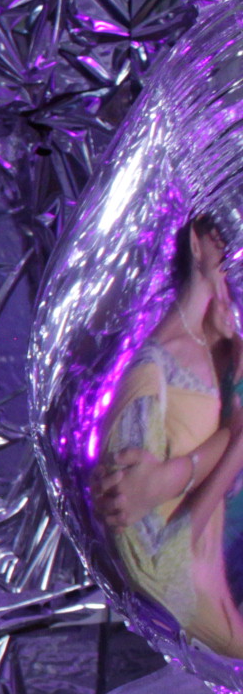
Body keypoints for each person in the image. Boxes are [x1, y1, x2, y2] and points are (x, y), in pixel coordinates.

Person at [96, 214, 243, 655]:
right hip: (198, 607)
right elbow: (147, 551)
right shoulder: (152, 370)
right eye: (223, 241)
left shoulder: (220, 350)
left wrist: (177, 474)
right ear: (197, 244)